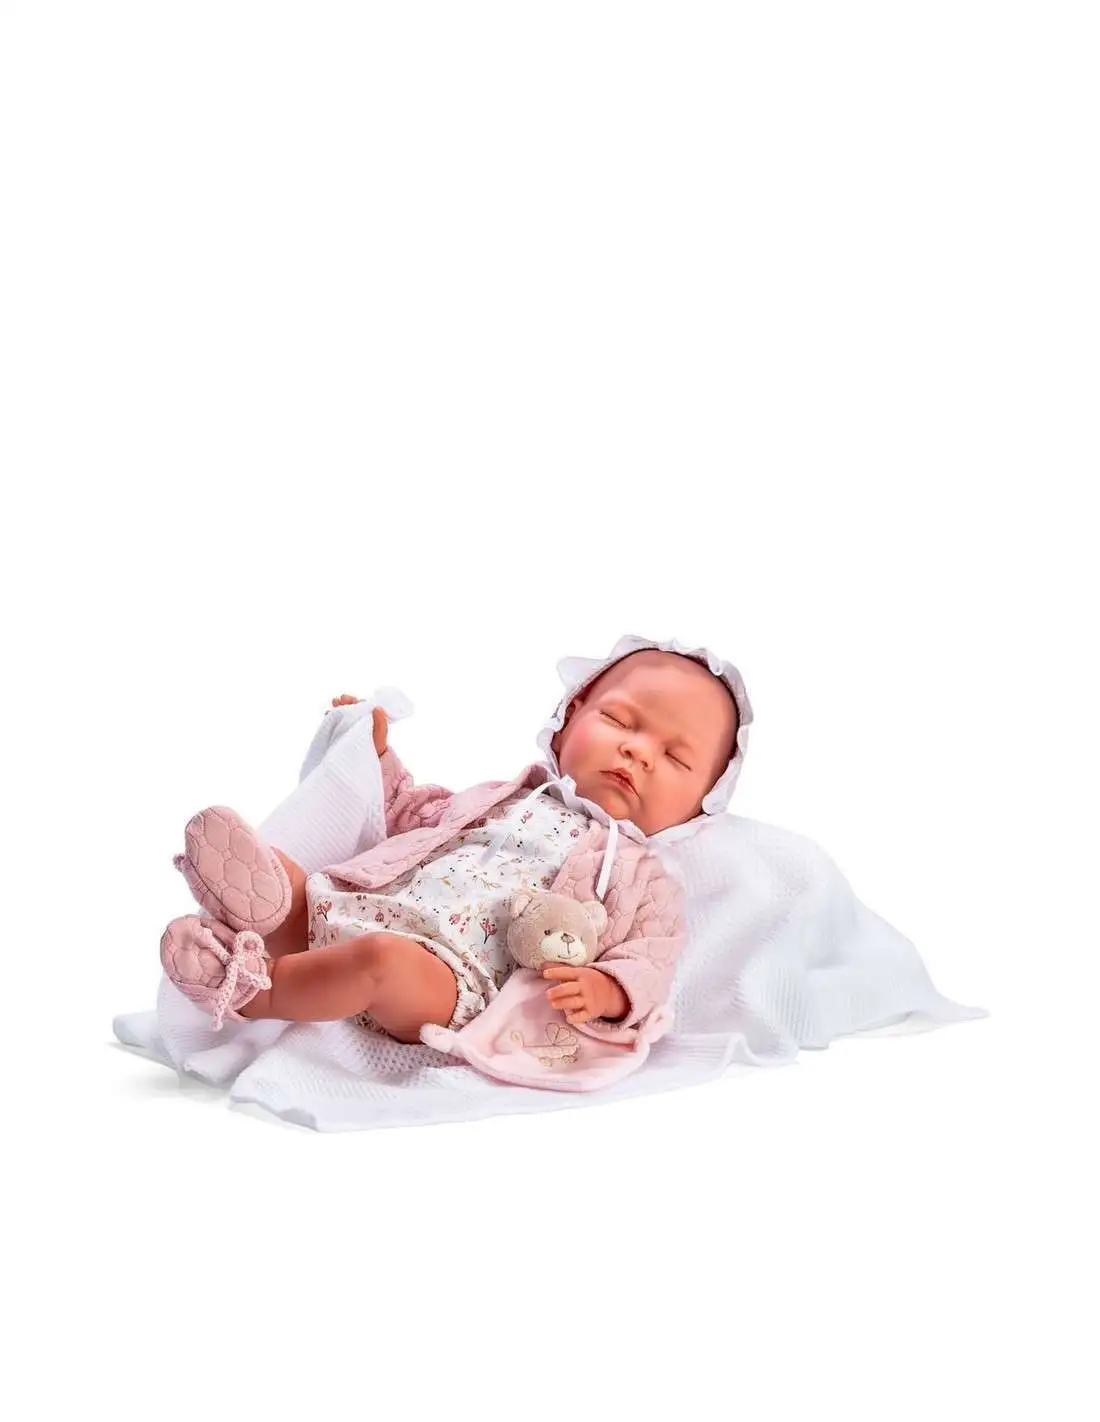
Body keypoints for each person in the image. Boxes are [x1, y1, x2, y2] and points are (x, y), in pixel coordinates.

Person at [159, 647, 741, 1049]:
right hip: (366, 906)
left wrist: (609, 990)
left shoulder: (641, 876)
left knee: (380, 961)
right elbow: (412, 814)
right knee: (297, 881)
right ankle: (268, 915)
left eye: (675, 757)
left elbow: (651, 959)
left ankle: (257, 991)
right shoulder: (506, 795)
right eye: (619, 720)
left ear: (702, 805)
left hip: (451, 979)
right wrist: (376, 757)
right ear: (565, 722)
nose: (639, 752)